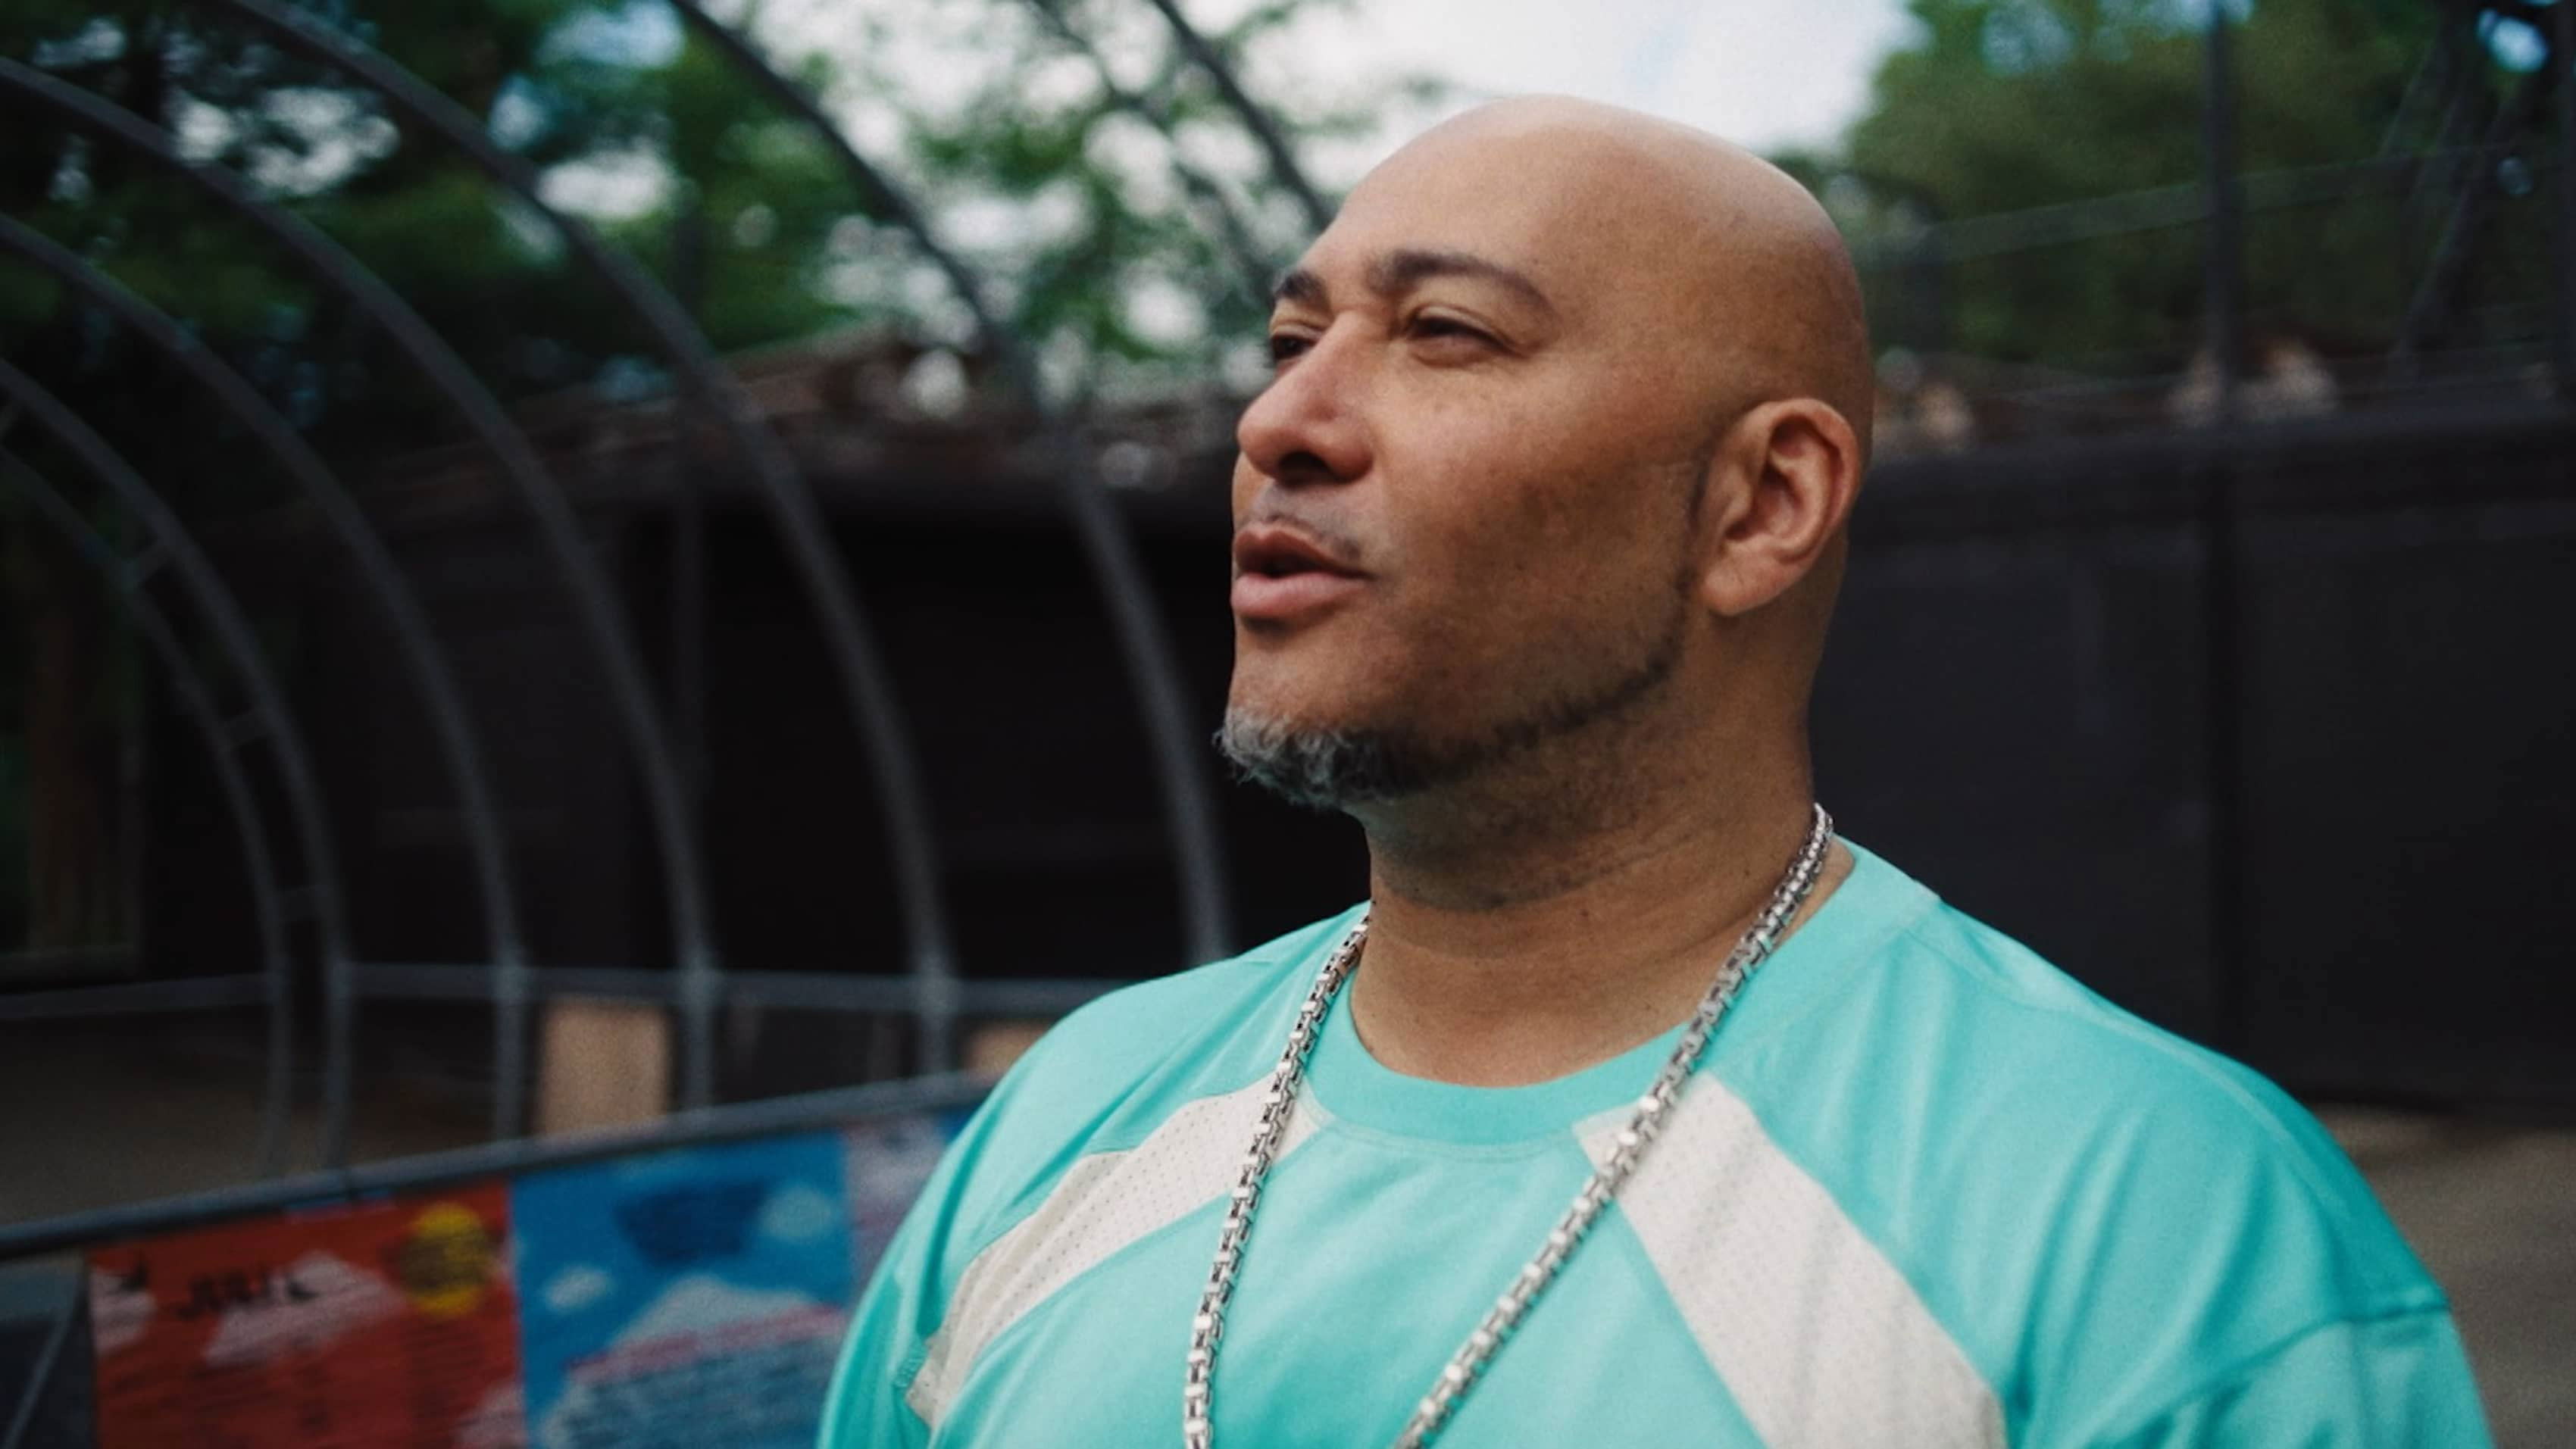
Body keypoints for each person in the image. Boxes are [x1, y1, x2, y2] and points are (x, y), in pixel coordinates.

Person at [819, 97, 2489, 1447]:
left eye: (1445, 332)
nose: (1279, 424)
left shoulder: (2156, 1230)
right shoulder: (1067, 1121)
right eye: (1288, 336)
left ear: (1760, 505)